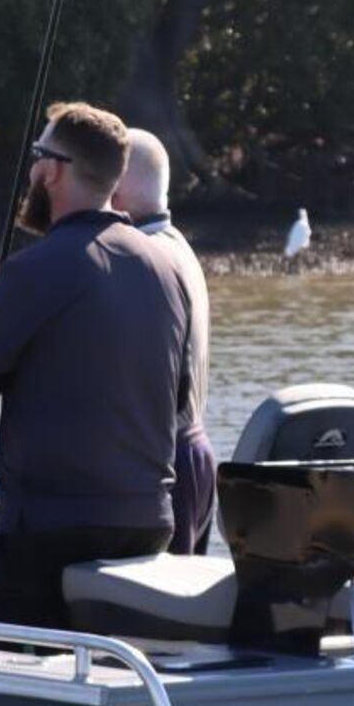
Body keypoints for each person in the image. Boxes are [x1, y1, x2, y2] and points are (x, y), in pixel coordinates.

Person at [0, 103, 189, 627]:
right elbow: (175, 402)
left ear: (52, 170)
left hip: (54, 531)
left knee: (15, 662)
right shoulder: (166, 267)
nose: (32, 169)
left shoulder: (32, 270)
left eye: (37, 155)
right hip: (149, 522)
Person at [114, 130, 216, 554]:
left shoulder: (143, 260)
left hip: (166, 464)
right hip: (197, 455)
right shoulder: (178, 248)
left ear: (114, 187)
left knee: (152, 613)